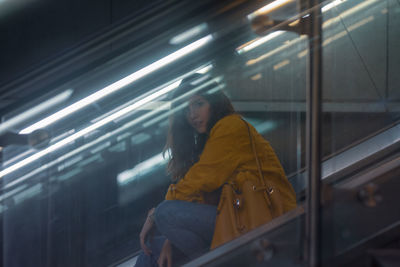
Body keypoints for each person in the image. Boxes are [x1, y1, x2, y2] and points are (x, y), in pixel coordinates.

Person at [135, 74, 296, 267]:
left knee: (165, 213)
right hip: (233, 218)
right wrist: (170, 239)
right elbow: (201, 196)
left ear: (214, 102)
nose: (192, 115)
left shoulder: (230, 126)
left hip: (261, 220)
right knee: (151, 252)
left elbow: (201, 180)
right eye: (186, 110)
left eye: (198, 104)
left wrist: (154, 215)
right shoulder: (210, 140)